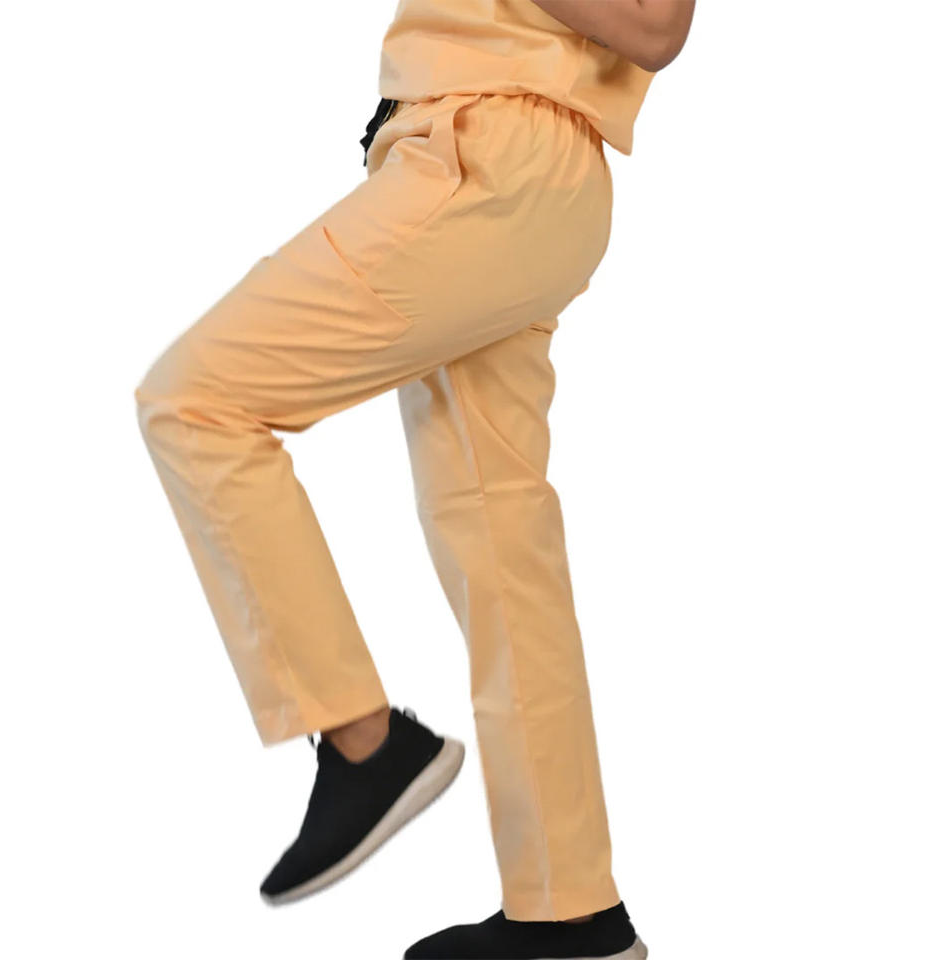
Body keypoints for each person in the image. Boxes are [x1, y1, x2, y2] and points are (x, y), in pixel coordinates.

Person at [133, 1, 695, 957]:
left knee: (195, 401)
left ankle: (365, 742)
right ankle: (572, 915)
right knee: (501, 545)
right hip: (502, 165)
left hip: (491, 156)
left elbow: (654, 26)